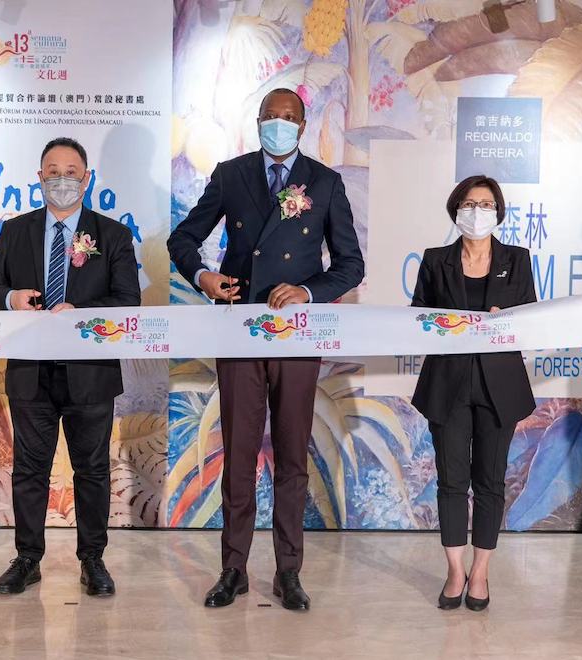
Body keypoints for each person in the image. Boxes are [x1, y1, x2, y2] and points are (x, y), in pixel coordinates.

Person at [168, 88, 364, 611]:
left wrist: (307, 292)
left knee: (293, 455)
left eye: (289, 117)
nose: (279, 124)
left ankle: (288, 571)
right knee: (238, 451)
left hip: (296, 335)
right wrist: (204, 276)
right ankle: (233, 569)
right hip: (239, 328)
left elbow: (351, 265)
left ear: (303, 124)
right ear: (257, 122)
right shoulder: (231, 175)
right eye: (270, 116)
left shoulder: (325, 182)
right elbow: (182, 239)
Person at [0, 137, 140, 597]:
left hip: (90, 373)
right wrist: (11, 298)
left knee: (92, 469)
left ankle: (93, 559)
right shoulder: (16, 231)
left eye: (71, 172)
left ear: (87, 179)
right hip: (31, 371)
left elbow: (127, 300)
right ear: (39, 178)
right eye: (53, 172)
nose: (62, 180)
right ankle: (27, 559)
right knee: (30, 470)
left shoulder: (111, 235)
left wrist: (81, 314)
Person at [410, 175, 537, 612]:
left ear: (498, 212)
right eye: (469, 203)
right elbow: (418, 318)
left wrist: (507, 320)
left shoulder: (517, 260)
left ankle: (480, 572)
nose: (477, 211)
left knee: (489, 482)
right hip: (446, 384)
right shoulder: (435, 260)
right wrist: (443, 322)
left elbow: (530, 318)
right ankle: (455, 570)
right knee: (451, 481)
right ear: (456, 210)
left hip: (498, 385)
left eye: (485, 204)